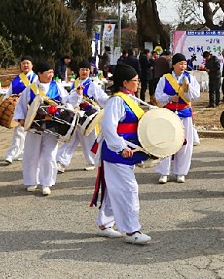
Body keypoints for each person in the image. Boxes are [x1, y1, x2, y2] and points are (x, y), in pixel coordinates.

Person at [90, 64, 152, 244]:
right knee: (128, 189)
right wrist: (120, 147)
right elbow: (109, 127)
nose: (138, 84)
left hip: (128, 149)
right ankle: (132, 231)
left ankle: (104, 223)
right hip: (117, 151)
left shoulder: (130, 98)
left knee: (114, 187)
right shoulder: (117, 100)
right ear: (125, 83)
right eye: (135, 81)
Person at [13, 61, 80, 196]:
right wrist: (21, 118)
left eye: (52, 72)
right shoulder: (30, 88)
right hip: (35, 125)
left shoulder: (57, 86)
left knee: (49, 155)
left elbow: (67, 101)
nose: (51, 75)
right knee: (31, 154)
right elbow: (20, 104)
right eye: (48, 72)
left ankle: (46, 183)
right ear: (39, 74)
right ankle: (31, 181)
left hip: (52, 126)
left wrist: (77, 95)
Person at [154, 53, 201, 183]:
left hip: (184, 113)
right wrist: (170, 98)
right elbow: (158, 96)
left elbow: (195, 95)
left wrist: (188, 88)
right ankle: (164, 172)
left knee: (185, 143)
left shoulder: (190, 78)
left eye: (185, 64)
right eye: (180, 63)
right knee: (166, 142)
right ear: (173, 65)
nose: (183, 66)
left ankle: (180, 172)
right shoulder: (165, 78)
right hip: (169, 113)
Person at [56, 60, 109, 173]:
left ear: (89, 71)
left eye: (86, 70)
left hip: (88, 116)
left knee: (89, 140)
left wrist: (109, 101)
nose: (84, 72)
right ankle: (61, 162)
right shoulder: (74, 84)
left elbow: (101, 98)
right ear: (78, 71)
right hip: (75, 115)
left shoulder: (93, 85)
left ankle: (92, 162)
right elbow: (68, 99)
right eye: (82, 70)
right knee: (69, 139)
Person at [3, 56, 37, 165]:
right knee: (18, 131)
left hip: (31, 108)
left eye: (27, 63)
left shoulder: (35, 78)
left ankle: (22, 152)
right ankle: (12, 154)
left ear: (32, 65)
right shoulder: (17, 79)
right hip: (19, 108)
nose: (25, 65)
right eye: (23, 63)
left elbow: (38, 92)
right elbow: (9, 93)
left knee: (28, 133)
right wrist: (5, 103)